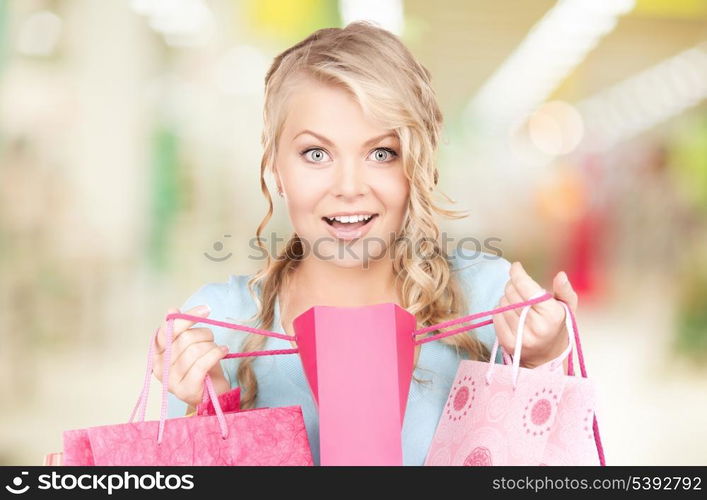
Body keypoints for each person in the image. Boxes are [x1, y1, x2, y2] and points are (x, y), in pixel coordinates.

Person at [153, 21, 578, 465]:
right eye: (316, 154)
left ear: (420, 163)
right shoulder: (216, 328)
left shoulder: (492, 304)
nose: (349, 186)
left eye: (381, 153)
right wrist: (211, 413)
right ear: (275, 167)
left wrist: (545, 363)